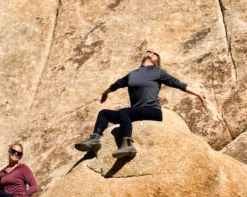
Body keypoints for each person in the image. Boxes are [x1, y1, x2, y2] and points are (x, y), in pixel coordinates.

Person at [74, 50, 208, 158]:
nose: (152, 53)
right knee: (104, 113)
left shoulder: (157, 72)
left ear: (157, 62)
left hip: (152, 111)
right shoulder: (132, 74)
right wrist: (105, 93)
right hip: (136, 112)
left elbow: (178, 84)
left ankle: (127, 144)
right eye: (149, 52)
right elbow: (116, 85)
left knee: (124, 111)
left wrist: (198, 94)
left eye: (156, 54)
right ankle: (94, 139)